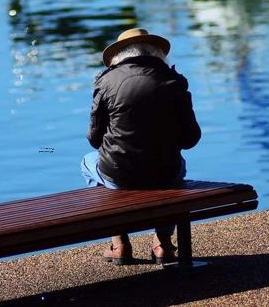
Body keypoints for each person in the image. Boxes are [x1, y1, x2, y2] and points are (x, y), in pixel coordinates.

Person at [81, 28, 201, 265]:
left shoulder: (106, 81)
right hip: (165, 172)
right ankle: (164, 244)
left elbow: (94, 139)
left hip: (120, 172)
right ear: (156, 53)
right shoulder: (174, 81)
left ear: (119, 55)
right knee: (175, 167)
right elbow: (190, 139)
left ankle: (119, 243)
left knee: (87, 162)